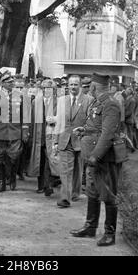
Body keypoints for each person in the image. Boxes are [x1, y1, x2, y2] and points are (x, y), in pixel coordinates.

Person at [70, 73, 122, 247]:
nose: (88, 87)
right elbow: (95, 127)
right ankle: (90, 227)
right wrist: (84, 131)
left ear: (94, 87)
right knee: (92, 192)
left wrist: (95, 155)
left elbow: (108, 134)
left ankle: (109, 233)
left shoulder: (111, 104)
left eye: (90, 85)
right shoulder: (97, 102)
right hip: (93, 157)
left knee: (108, 194)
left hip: (103, 158)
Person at [0, 72, 30, 192]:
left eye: (12, 81)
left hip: (14, 131)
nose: (12, 83)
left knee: (14, 156)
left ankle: (12, 178)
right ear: (2, 83)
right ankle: (1, 182)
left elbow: (25, 115)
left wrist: (25, 130)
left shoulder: (20, 95)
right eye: (9, 81)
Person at [53, 75, 89, 208]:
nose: (73, 87)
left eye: (75, 84)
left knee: (78, 170)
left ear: (80, 86)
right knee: (65, 171)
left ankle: (75, 193)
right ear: (67, 86)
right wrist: (56, 141)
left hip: (80, 140)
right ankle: (65, 198)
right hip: (64, 140)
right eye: (71, 85)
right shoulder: (62, 100)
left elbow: (91, 122)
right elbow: (59, 121)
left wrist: (85, 132)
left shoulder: (88, 100)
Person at [26, 79, 56, 196]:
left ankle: (48, 185)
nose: (47, 91)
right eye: (44, 88)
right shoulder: (36, 102)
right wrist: (30, 135)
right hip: (39, 136)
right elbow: (32, 120)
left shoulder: (57, 102)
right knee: (40, 161)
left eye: (50, 89)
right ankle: (41, 185)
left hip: (52, 136)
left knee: (51, 161)